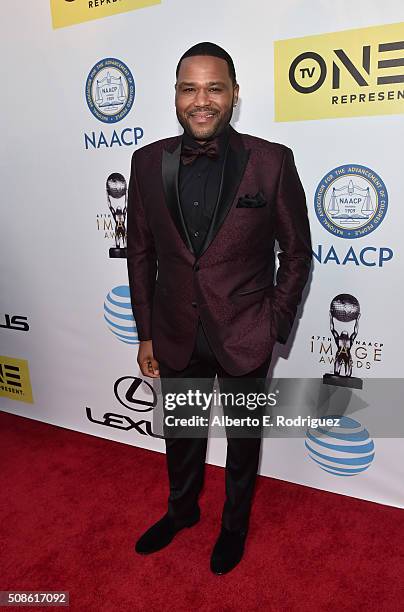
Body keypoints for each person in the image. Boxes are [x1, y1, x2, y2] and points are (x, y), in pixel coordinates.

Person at [126, 42, 312, 574]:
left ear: (234, 95)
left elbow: (296, 252)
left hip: (245, 333)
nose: (201, 100)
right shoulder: (145, 163)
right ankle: (181, 512)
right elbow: (139, 253)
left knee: (242, 443)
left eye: (214, 87)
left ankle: (233, 527)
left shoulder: (270, 161)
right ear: (176, 96)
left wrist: (275, 322)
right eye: (190, 88)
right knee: (181, 434)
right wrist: (145, 334)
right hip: (176, 330)